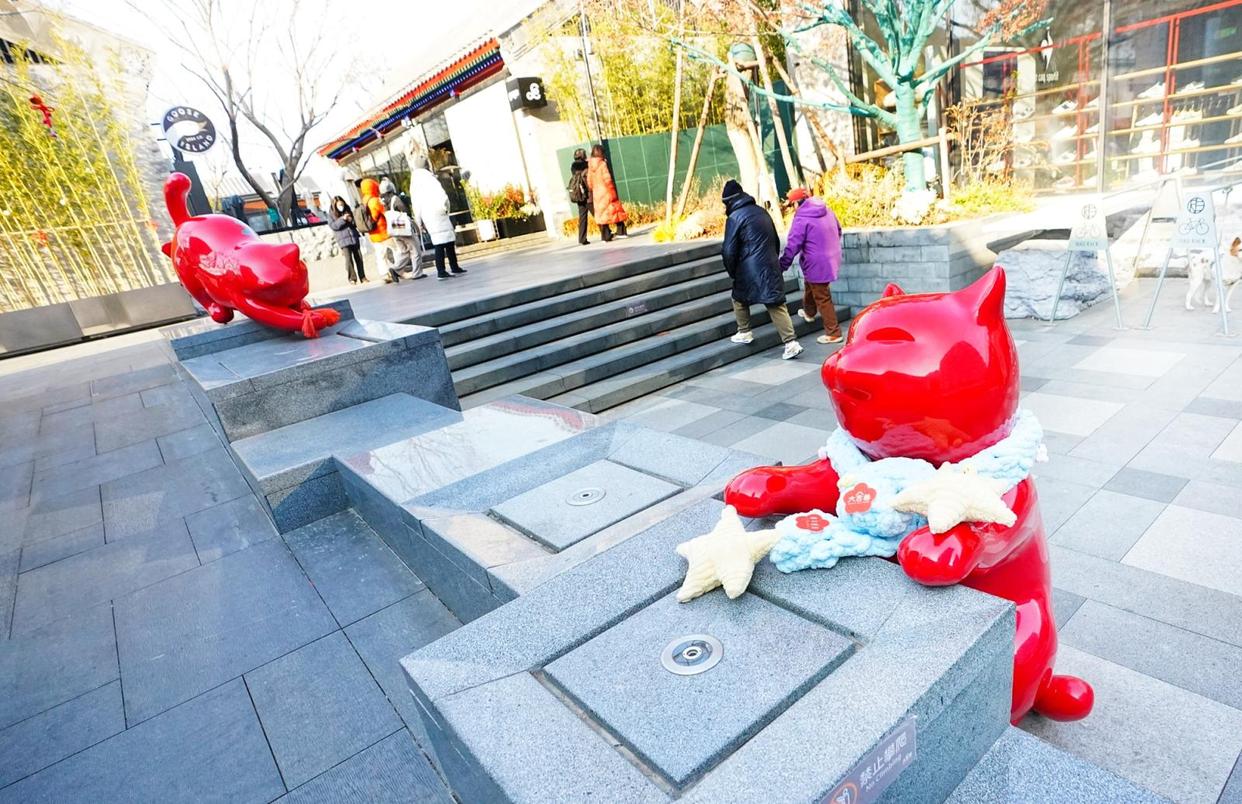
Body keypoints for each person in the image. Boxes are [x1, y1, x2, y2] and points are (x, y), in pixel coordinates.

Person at [721, 179, 803, 360]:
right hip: (769, 264)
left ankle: (744, 331)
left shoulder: (734, 218)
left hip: (748, 269)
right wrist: (772, 259)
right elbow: (775, 240)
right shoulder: (761, 212)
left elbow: (728, 250)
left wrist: (733, 271)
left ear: (729, 201)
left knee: (738, 298)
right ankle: (791, 342)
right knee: (775, 303)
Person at [781, 187, 844, 344]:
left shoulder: (801, 218)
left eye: (791, 205)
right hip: (831, 257)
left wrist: (782, 265)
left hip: (816, 262)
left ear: (797, 203)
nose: (792, 208)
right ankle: (809, 312)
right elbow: (838, 230)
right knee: (812, 285)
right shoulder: (827, 210)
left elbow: (793, 245)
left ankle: (834, 333)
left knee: (822, 296)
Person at [410, 161, 465, 279]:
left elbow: (416, 205)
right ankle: (453, 267)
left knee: (438, 243)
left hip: (427, 216)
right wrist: (446, 209)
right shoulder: (430, 179)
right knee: (449, 241)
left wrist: (419, 221)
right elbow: (442, 196)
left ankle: (441, 270)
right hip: (439, 213)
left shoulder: (414, 184)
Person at [356, 177, 411, 284]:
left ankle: (384, 274)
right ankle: (399, 270)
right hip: (384, 232)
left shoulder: (364, 201)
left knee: (380, 255)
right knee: (398, 250)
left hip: (373, 234)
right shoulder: (375, 200)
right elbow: (386, 213)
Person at [379, 176, 425, 279]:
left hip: (394, 229)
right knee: (415, 250)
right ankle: (417, 273)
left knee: (404, 252)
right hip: (403, 227)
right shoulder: (395, 199)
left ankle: (395, 269)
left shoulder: (384, 202)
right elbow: (405, 211)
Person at [586, 144, 628, 241]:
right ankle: (621, 231)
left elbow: (589, 181)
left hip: (597, 193)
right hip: (606, 191)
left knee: (601, 214)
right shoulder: (602, 164)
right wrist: (612, 191)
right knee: (615, 210)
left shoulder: (590, 166)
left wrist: (594, 189)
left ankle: (606, 236)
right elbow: (607, 179)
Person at [327, 195, 367, 284]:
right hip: (343, 240)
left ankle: (363, 277)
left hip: (353, 237)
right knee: (348, 260)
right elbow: (333, 226)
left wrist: (351, 220)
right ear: (335, 205)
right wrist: (342, 219)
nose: (341, 206)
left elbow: (355, 223)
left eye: (342, 204)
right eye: (339, 205)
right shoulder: (331, 214)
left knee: (359, 258)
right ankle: (352, 278)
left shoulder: (348, 210)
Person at [568, 148, 591, 245]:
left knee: (582, 217)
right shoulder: (586, 164)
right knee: (596, 213)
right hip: (587, 193)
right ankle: (606, 233)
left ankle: (582, 239)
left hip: (578, 194)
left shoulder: (573, 165)